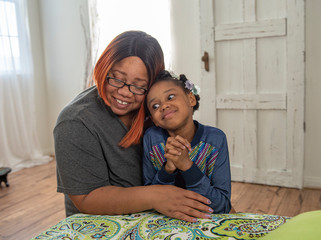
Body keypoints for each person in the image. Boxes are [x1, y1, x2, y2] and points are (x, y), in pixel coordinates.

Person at [54, 31, 213, 223]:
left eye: (138, 86)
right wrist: (156, 195)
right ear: (104, 68)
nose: (124, 92)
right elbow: (86, 199)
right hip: (99, 225)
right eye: (117, 79)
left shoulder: (156, 109)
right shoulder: (75, 122)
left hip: (155, 218)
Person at [143, 70, 232, 213]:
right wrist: (167, 170)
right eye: (155, 106)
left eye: (170, 97)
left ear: (191, 99)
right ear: (154, 120)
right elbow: (148, 197)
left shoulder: (215, 139)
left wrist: (187, 166)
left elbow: (222, 206)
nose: (164, 106)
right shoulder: (152, 139)